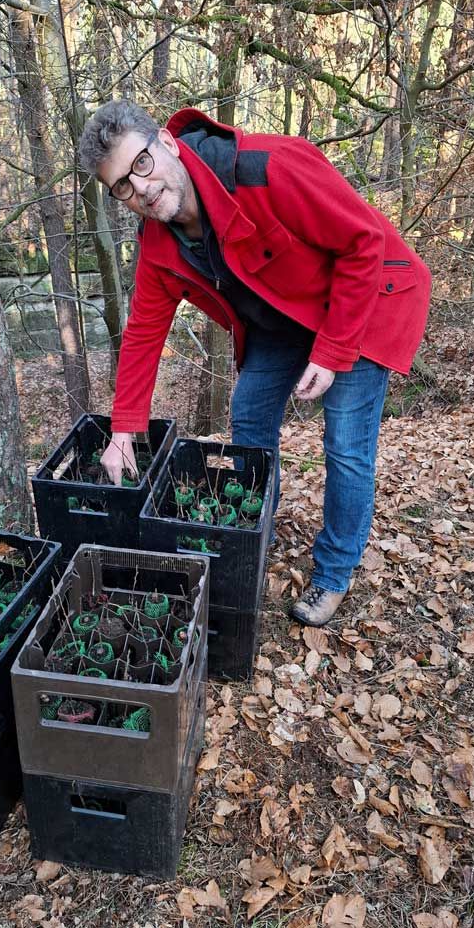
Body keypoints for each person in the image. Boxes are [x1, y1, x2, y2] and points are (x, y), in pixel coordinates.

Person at [78, 100, 431, 627]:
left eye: (142, 164)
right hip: (286, 317)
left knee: (346, 445)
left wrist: (333, 352)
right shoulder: (158, 245)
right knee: (248, 413)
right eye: (122, 186)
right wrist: (124, 430)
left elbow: (365, 243)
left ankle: (333, 574)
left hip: (362, 299)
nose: (141, 189)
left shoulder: (269, 169)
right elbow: (144, 334)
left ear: (168, 143)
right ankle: (251, 530)